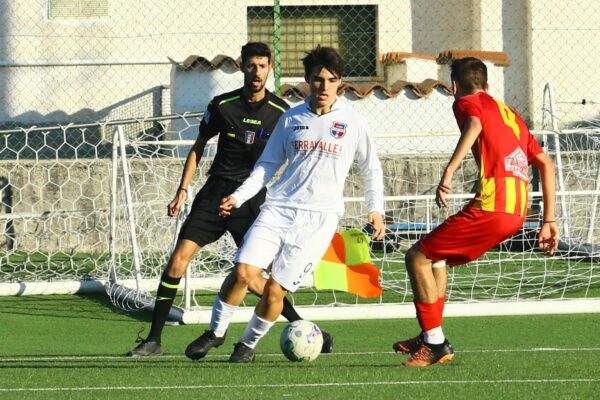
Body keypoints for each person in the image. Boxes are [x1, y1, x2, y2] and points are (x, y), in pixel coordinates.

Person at [126, 42, 333, 357]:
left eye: (263, 66)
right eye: (251, 65)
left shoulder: (282, 113)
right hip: (214, 193)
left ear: (270, 69)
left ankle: (304, 327)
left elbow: (293, 157)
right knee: (178, 259)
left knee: (253, 278)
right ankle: (154, 340)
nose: (257, 72)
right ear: (242, 67)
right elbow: (198, 146)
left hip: (251, 200)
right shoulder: (222, 104)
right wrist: (182, 190)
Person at [184, 45, 385, 363]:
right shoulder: (291, 119)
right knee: (242, 272)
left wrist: (376, 209)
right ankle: (216, 332)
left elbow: (371, 167)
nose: (324, 87)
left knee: (276, 290)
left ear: (340, 83)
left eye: (331, 80)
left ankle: (246, 346)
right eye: (318, 80)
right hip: (278, 209)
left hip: (318, 221)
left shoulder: (354, 122)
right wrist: (238, 197)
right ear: (307, 80)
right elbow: (266, 166)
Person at [394, 57, 559, 367]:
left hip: (492, 207)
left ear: (454, 85)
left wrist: (449, 171)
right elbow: (546, 165)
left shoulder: (466, 102)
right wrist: (549, 220)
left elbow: (475, 123)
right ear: (488, 85)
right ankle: (430, 334)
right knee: (436, 257)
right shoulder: (511, 115)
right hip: (516, 211)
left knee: (416, 256)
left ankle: (435, 343)